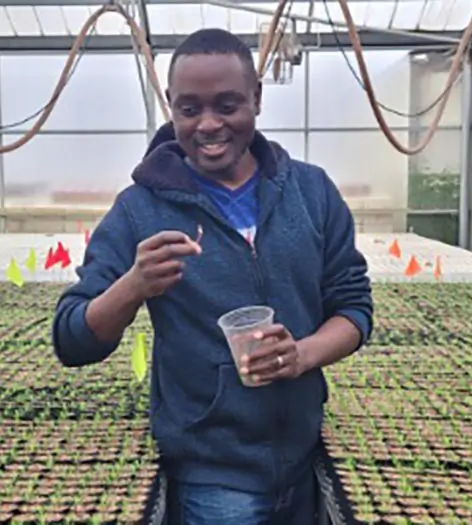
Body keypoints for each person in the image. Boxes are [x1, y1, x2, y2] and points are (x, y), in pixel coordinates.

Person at [51, 27, 374, 524]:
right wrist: (134, 284)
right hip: (210, 477)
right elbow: (72, 339)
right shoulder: (141, 210)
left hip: (306, 460)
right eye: (189, 108)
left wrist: (301, 355)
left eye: (227, 105)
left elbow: (354, 308)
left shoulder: (311, 193)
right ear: (171, 106)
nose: (208, 124)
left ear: (257, 100)